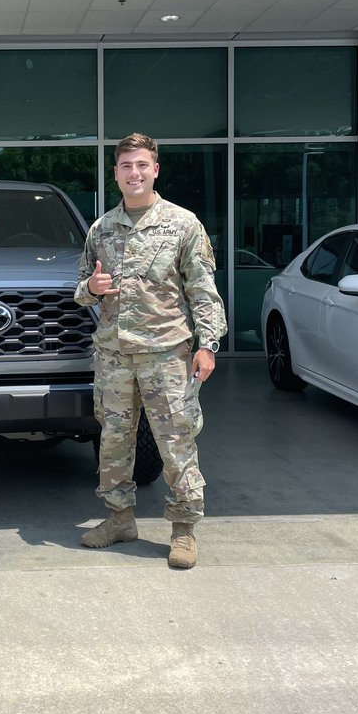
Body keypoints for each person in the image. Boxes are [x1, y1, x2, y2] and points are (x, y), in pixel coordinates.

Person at [74, 133, 227, 568]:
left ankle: (183, 529)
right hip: (114, 356)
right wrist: (91, 287)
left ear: (155, 170)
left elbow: (203, 291)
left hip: (166, 355)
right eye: (126, 165)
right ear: (116, 173)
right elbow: (81, 290)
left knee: (176, 440)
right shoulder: (101, 228)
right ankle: (119, 519)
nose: (134, 173)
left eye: (142, 164)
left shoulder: (183, 224)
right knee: (114, 441)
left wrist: (208, 345)